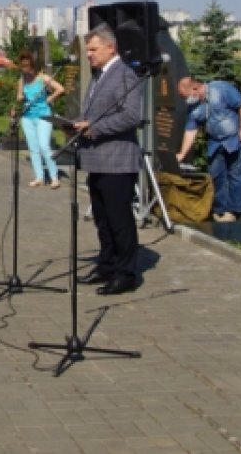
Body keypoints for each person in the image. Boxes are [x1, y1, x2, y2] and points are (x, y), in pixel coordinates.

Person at [73, 25, 143, 296]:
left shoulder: (125, 74)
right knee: (102, 219)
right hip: (97, 159)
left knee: (119, 219)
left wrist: (94, 127)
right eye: (87, 50)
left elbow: (131, 116)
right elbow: (94, 113)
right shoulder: (99, 76)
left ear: (110, 48)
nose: (88, 54)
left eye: (93, 49)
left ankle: (126, 273)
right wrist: (78, 125)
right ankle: (107, 265)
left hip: (117, 159)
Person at [175, 76, 241, 223]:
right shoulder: (194, 107)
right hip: (216, 142)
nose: (186, 101)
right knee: (216, 175)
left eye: (186, 97)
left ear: (195, 88)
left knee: (237, 175)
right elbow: (191, 130)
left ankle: (234, 211)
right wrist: (181, 154)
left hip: (236, 139)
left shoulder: (220, 88)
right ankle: (219, 209)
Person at [13, 52, 65, 188]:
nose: (26, 71)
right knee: (33, 147)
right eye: (23, 68)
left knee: (44, 146)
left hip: (43, 116)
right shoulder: (22, 80)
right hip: (27, 117)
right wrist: (20, 99)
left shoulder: (43, 78)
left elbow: (60, 89)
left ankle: (54, 177)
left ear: (33, 66)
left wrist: (50, 98)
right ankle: (39, 177)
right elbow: (19, 96)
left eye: (28, 67)